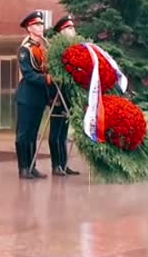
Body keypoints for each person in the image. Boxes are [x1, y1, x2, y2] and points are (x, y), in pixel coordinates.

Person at [15, 10, 52, 179]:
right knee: (24, 134)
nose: (40, 27)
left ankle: (32, 166)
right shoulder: (25, 49)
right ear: (29, 28)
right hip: (27, 96)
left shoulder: (44, 48)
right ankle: (23, 167)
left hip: (39, 97)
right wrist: (48, 79)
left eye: (41, 24)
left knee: (33, 133)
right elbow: (29, 74)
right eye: (37, 24)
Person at [48, 15, 80, 176]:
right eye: (69, 28)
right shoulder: (56, 50)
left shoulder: (73, 48)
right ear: (61, 31)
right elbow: (52, 74)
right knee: (55, 133)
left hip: (68, 95)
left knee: (63, 133)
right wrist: (54, 96)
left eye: (73, 27)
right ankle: (56, 165)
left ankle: (64, 164)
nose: (73, 30)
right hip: (58, 97)